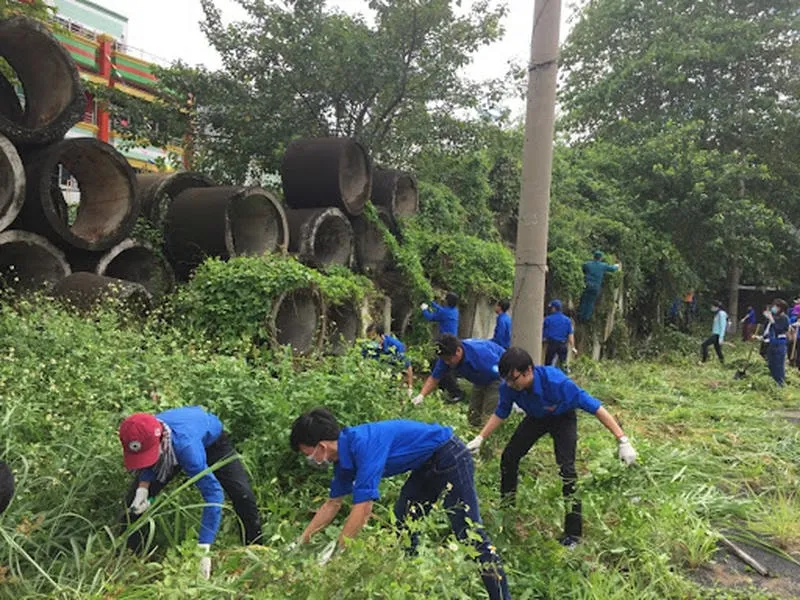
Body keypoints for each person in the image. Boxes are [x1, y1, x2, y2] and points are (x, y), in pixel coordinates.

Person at [290, 408, 512, 600]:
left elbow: (364, 509)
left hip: (450, 455)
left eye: (306, 452)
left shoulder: (363, 444)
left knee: (469, 533)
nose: (308, 458)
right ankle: (411, 579)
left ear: (321, 446)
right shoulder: (342, 460)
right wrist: (301, 541)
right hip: (426, 463)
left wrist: (337, 553)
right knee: (404, 519)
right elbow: (332, 504)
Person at [465, 347, 637, 548]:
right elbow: (501, 412)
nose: (510, 384)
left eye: (514, 379)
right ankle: (507, 509)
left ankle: (573, 534)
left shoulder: (558, 383)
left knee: (567, 471)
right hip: (536, 418)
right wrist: (480, 438)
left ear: (528, 370)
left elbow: (596, 408)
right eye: (507, 380)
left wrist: (622, 440)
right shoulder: (510, 387)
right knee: (509, 457)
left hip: (562, 418)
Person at [119, 406, 262, 578]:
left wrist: (204, 547)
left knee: (242, 495)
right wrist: (143, 489)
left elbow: (213, 495)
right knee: (132, 506)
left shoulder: (187, 450)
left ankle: (255, 552)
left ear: (161, 440)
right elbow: (148, 462)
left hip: (213, 444)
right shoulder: (143, 430)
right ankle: (132, 559)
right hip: (170, 449)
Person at [412, 334, 505, 427]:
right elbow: (434, 378)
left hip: (497, 375)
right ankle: (474, 432)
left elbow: (502, 372)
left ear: (458, 351)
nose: (447, 363)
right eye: (444, 360)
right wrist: (421, 395)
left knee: (489, 412)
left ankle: (487, 437)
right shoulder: (447, 357)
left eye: (448, 359)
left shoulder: (480, 355)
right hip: (479, 378)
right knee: (473, 415)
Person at [421, 292, 462, 401]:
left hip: (445, 343)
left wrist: (424, 309)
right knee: (439, 364)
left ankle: (455, 393)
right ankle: (443, 388)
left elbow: (430, 317)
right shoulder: (454, 311)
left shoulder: (444, 313)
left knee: (443, 367)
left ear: (447, 301)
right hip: (453, 341)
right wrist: (432, 303)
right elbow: (441, 310)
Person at [364, 323, 413, 394]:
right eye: (369, 339)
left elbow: (407, 366)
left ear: (381, 336)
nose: (372, 341)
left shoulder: (396, 346)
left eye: (374, 339)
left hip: (395, 378)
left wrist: (410, 387)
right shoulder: (369, 347)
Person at [578, 251, 620, 322]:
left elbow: (582, 267)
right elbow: (612, 269)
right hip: (595, 287)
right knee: (591, 302)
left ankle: (580, 315)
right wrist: (617, 265)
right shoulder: (603, 265)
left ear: (593, 257)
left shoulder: (588, 264)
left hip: (587, 285)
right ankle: (585, 318)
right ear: (600, 258)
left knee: (584, 300)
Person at [759, 299, 790, 386]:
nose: (774, 308)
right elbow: (769, 330)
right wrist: (763, 337)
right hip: (772, 343)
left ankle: (780, 384)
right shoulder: (774, 317)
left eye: (776, 306)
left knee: (778, 365)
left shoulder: (785, 318)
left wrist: (771, 319)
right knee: (771, 364)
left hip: (779, 344)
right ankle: (773, 383)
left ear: (781, 308)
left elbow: (778, 329)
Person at [542, 299, 577, 369]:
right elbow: (570, 335)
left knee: (548, 366)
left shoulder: (548, 319)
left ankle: (547, 379)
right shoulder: (567, 320)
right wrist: (573, 347)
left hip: (551, 345)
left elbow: (542, 333)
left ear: (554, 308)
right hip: (562, 345)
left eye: (551, 308)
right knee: (562, 365)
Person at [700, 300, 727, 364]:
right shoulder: (718, 314)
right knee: (717, 349)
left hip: (717, 335)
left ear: (716, 307)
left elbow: (722, 326)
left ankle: (703, 360)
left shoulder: (721, 314)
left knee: (704, 345)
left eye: (712, 306)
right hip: (715, 334)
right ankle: (722, 362)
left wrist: (721, 337)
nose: (711, 308)